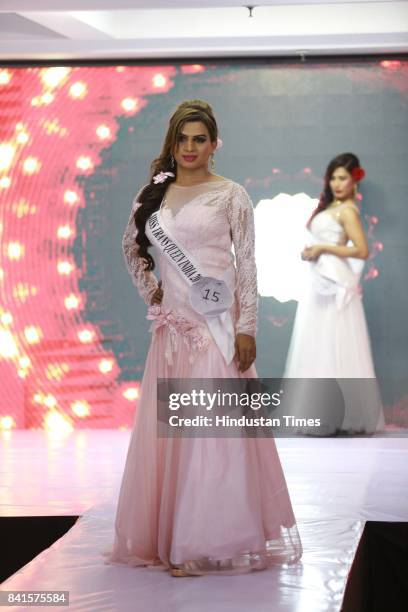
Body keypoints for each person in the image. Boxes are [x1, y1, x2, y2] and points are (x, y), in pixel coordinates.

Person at [106, 99, 302, 576]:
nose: (190, 148)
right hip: (173, 332)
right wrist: (152, 292)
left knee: (212, 437)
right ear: (171, 144)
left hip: (217, 331)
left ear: (215, 144)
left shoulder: (231, 195)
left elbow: (248, 264)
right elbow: (132, 247)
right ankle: (171, 536)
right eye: (182, 139)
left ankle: (204, 541)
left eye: (200, 139)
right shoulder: (152, 195)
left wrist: (247, 326)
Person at [284, 152, 385, 434]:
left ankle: (341, 414)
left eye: (343, 178)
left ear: (354, 181)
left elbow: (362, 250)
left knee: (336, 340)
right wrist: (311, 251)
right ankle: (320, 413)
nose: (337, 184)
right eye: (333, 178)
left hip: (336, 281)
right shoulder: (331, 208)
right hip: (319, 283)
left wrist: (323, 248)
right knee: (319, 341)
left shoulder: (348, 211)